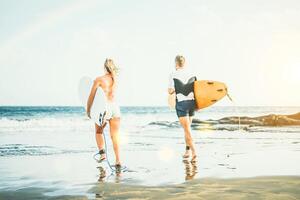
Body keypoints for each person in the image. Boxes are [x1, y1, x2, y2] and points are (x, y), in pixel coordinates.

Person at [87, 58, 121, 167]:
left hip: (104, 108)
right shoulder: (115, 79)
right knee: (114, 135)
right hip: (115, 108)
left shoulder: (99, 80)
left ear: (104, 67)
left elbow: (91, 96)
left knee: (98, 132)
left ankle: (102, 155)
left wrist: (88, 110)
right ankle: (118, 160)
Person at [168, 55, 197, 162]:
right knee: (187, 129)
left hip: (181, 104)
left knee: (187, 130)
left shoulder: (173, 74)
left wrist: (175, 89)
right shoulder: (192, 74)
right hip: (192, 103)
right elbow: (196, 89)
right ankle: (187, 151)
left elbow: (170, 90)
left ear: (176, 63)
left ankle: (194, 152)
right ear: (184, 63)